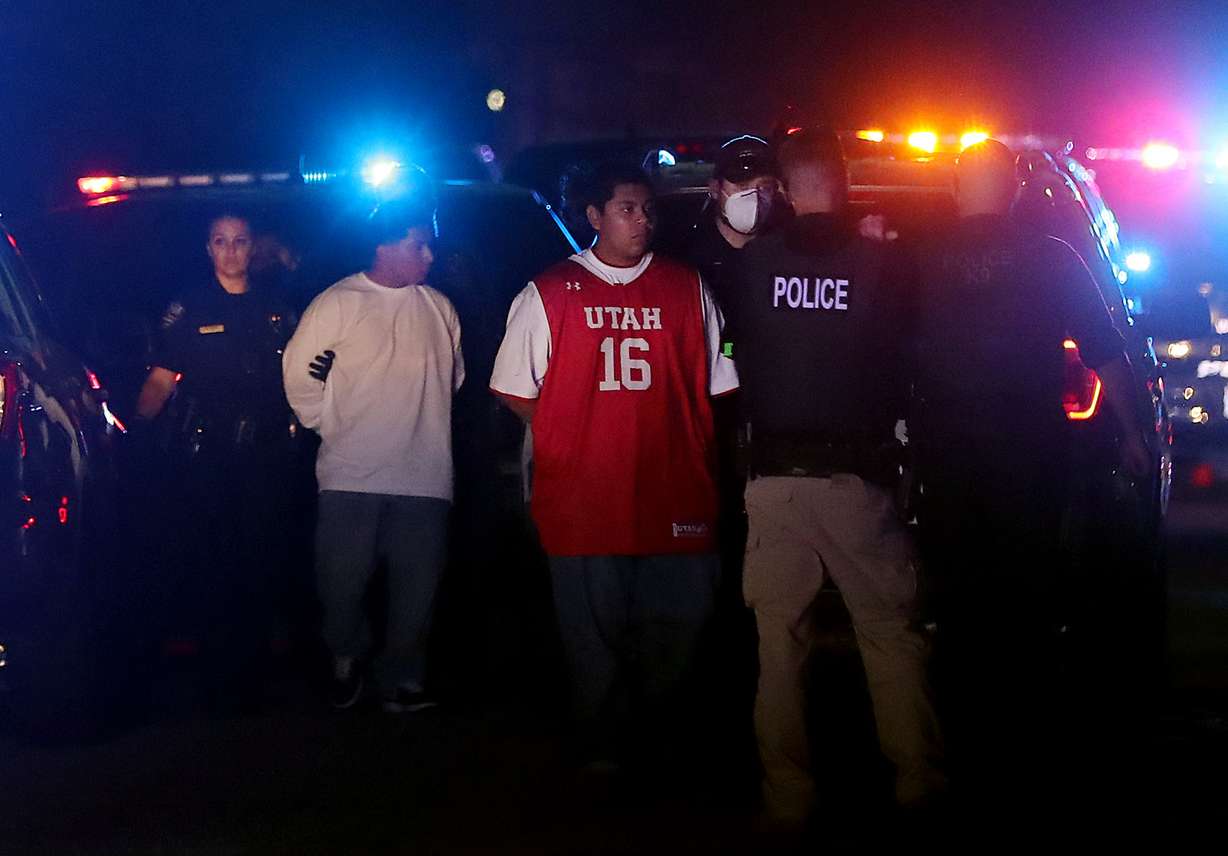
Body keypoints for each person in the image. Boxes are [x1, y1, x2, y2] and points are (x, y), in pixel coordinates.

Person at [911, 139, 1152, 803]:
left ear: (960, 187)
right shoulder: (1054, 256)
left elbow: (878, 345)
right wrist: (1131, 434)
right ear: (1015, 189)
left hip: (946, 459)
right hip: (1031, 458)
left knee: (958, 602)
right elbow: (1106, 353)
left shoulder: (918, 259)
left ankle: (963, 740)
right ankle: (1028, 744)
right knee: (1027, 598)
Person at [489, 162, 739, 772]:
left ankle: (660, 736)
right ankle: (604, 749)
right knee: (593, 636)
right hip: (586, 499)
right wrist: (574, 429)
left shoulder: (688, 286)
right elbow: (513, 388)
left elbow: (723, 372)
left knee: (681, 621)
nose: (642, 219)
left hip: (674, 491)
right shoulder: (548, 291)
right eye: (626, 208)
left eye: (648, 208)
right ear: (594, 217)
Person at [731, 128, 946, 825]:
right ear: (845, 181)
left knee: (778, 643)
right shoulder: (883, 263)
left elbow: (734, 357)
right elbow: (913, 358)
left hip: (772, 479)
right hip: (858, 480)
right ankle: (917, 781)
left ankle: (786, 796)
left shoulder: (751, 264)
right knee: (889, 633)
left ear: (785, 191)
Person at [282, 199, 464, 713]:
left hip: (426, 473)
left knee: (418, 590)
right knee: (340, 582)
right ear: (385, 246)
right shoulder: (338, 302)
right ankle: (346, 655)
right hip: (351, 473)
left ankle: (402, 677)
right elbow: (299, 376)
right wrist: (330, 423)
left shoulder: (440, 308)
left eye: (429, 243)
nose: (429, 254)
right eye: (417, 243)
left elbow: (454, 379)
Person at [134, 212, 300, 710]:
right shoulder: (187, 308)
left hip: (267, 456)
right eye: (220, 242)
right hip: (208, 457)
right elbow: (161, 381)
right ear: (208, 248)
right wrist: (134, 436)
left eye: (240, 242)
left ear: (254, 248)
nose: (230, 251)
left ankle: (253, 671)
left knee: (261, 558)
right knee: (212, 560)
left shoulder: (277, 308)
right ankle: (214, 673)